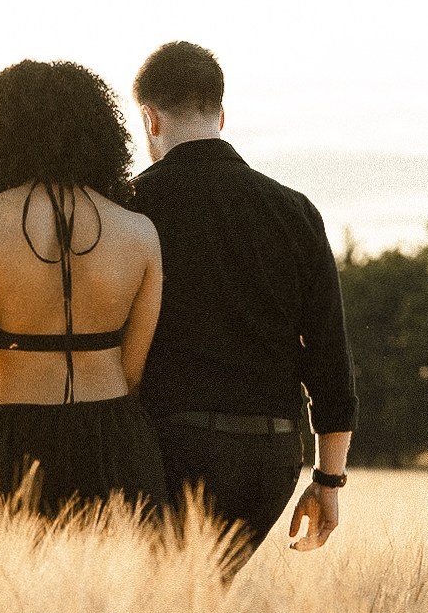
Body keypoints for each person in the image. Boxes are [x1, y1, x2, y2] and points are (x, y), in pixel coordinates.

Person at [127, 41, 357, 574]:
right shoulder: (295, 211)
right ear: (222, 115)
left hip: (169, 449)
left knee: (160, 611)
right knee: (202, 601)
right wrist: (327, 482)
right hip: (270, 458)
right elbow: (330, 359)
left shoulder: (131, 207)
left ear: (150, 120)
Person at [0, 60, 167, 533]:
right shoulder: (140, 233)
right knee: (122, 605)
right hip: (118, 442)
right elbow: (132, 372)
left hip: (14, 444)